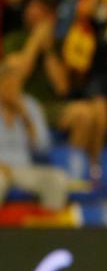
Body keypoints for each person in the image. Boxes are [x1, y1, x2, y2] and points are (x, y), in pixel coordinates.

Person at [0, 56, 69, 211]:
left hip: (23, 169)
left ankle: (48, 233)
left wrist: (25, 118)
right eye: (7, 82)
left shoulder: (31, 106)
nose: (11, 86)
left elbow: (43, 147)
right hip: (0, 170)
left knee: (57, 179)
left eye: (15, 81)